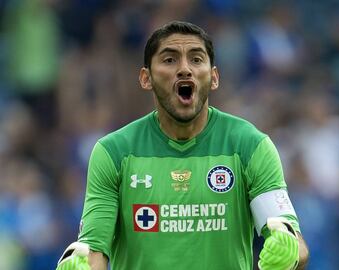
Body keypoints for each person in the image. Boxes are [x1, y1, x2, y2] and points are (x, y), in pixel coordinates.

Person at [56, 21, 309, 270]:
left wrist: (287, 252)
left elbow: (292, 240)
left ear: (214, 77)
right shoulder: (113, 152)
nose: (185, 69)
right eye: (169, 60)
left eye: (197, 59)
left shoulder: (250, 145)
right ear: (146, 78)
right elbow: (93, 250)